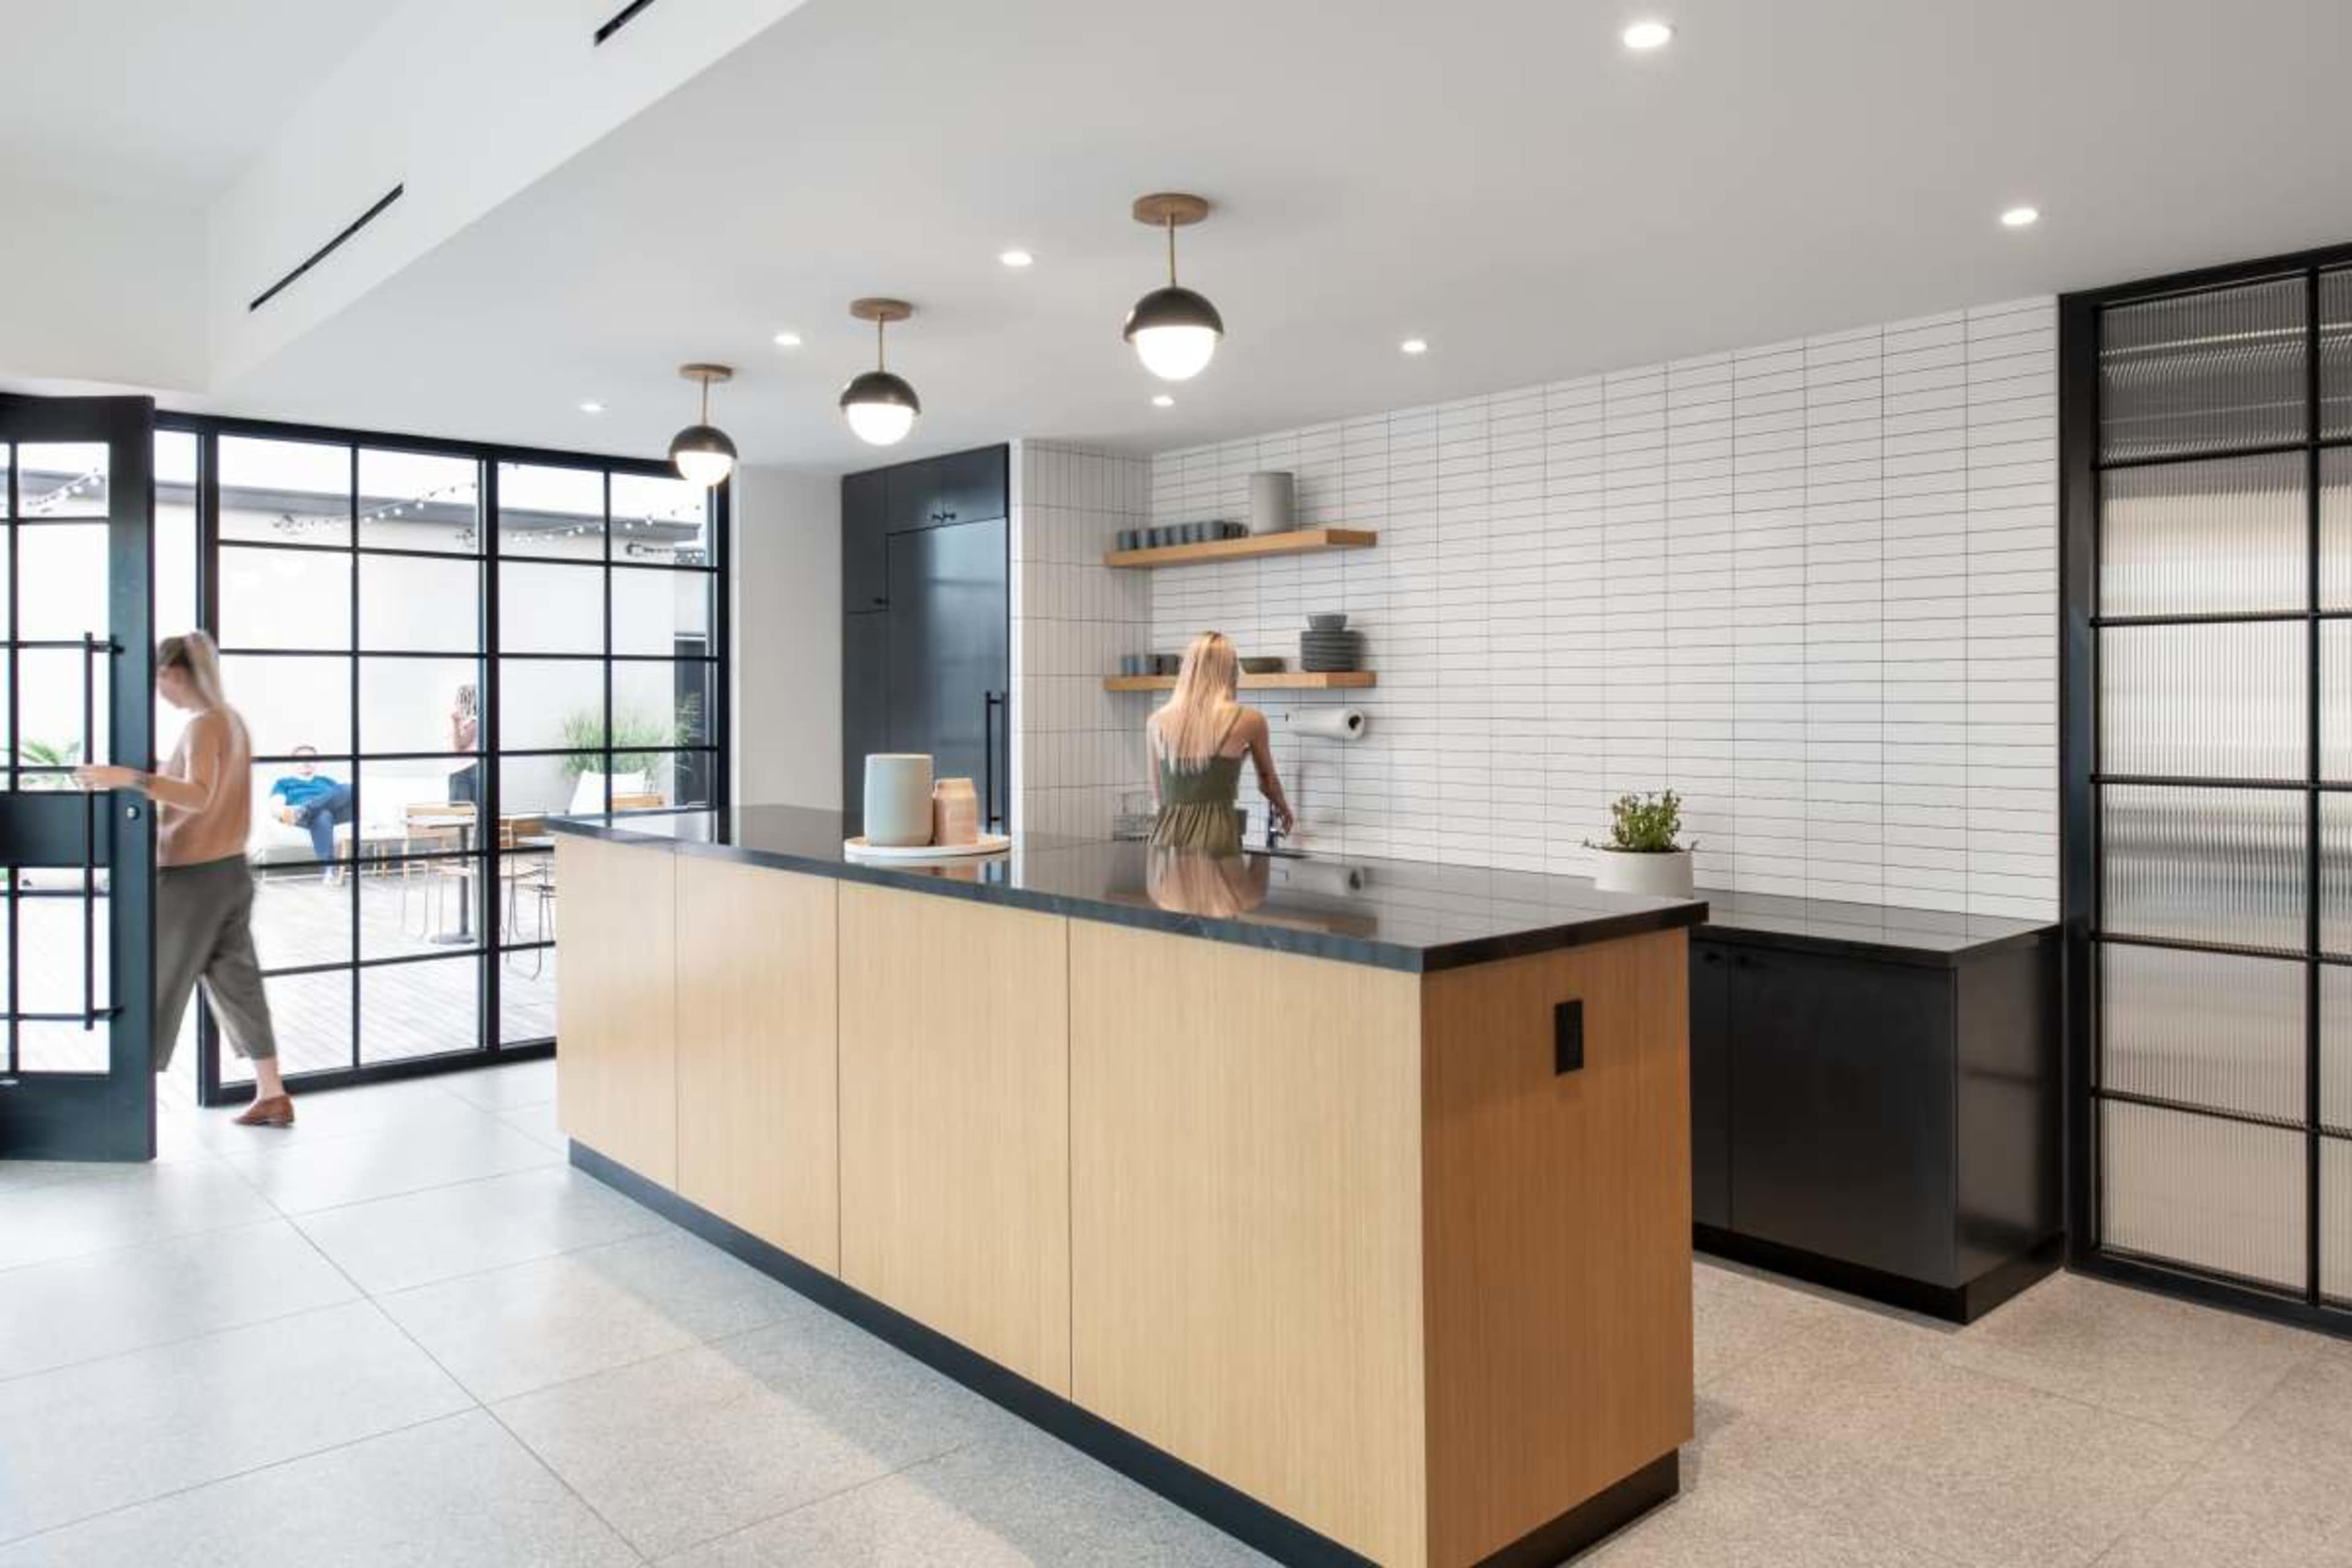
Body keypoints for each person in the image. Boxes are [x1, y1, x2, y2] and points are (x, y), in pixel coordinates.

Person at [76, 631, 294, 1128]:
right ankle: (272, 1093)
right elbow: (207, 785)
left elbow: (197, 796)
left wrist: (127, 778)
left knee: (157, 981)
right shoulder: (231, 720)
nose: (160, 691)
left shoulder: (203, 725)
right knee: (239, 984)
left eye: (161, 680)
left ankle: (125, 1109)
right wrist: (148, 771)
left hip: (194, 875)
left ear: (177, 675)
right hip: (232, 870)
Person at [1146, 631, 1296, 856]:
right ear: (1230, 670)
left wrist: (1230, 765)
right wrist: (1283, 808)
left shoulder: (1157, 721)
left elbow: (1160, 793)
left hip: (1166, 838)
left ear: (1188, 670)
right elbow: (1267, 783)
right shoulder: (1249, 720)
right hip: (1217, 837)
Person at [270, 744, 352, 881]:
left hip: (326, 813)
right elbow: (275, 808)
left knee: (349, 788)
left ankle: (307, 809)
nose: (306, 762)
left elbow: (341, 798)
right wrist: (288, 813)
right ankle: (330, 868)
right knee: (323, 815)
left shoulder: (327, 781)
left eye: (310, 758)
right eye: (301, 759)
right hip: (299, 815)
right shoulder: (284, 783)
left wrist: (309, 808)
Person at [446, 683, 481, 807]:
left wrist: (455, 722)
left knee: (461, 813)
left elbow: (459, 747)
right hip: (463, 769)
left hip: (465, 770)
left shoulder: (473, 722)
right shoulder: (468, 722)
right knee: (465, 814)